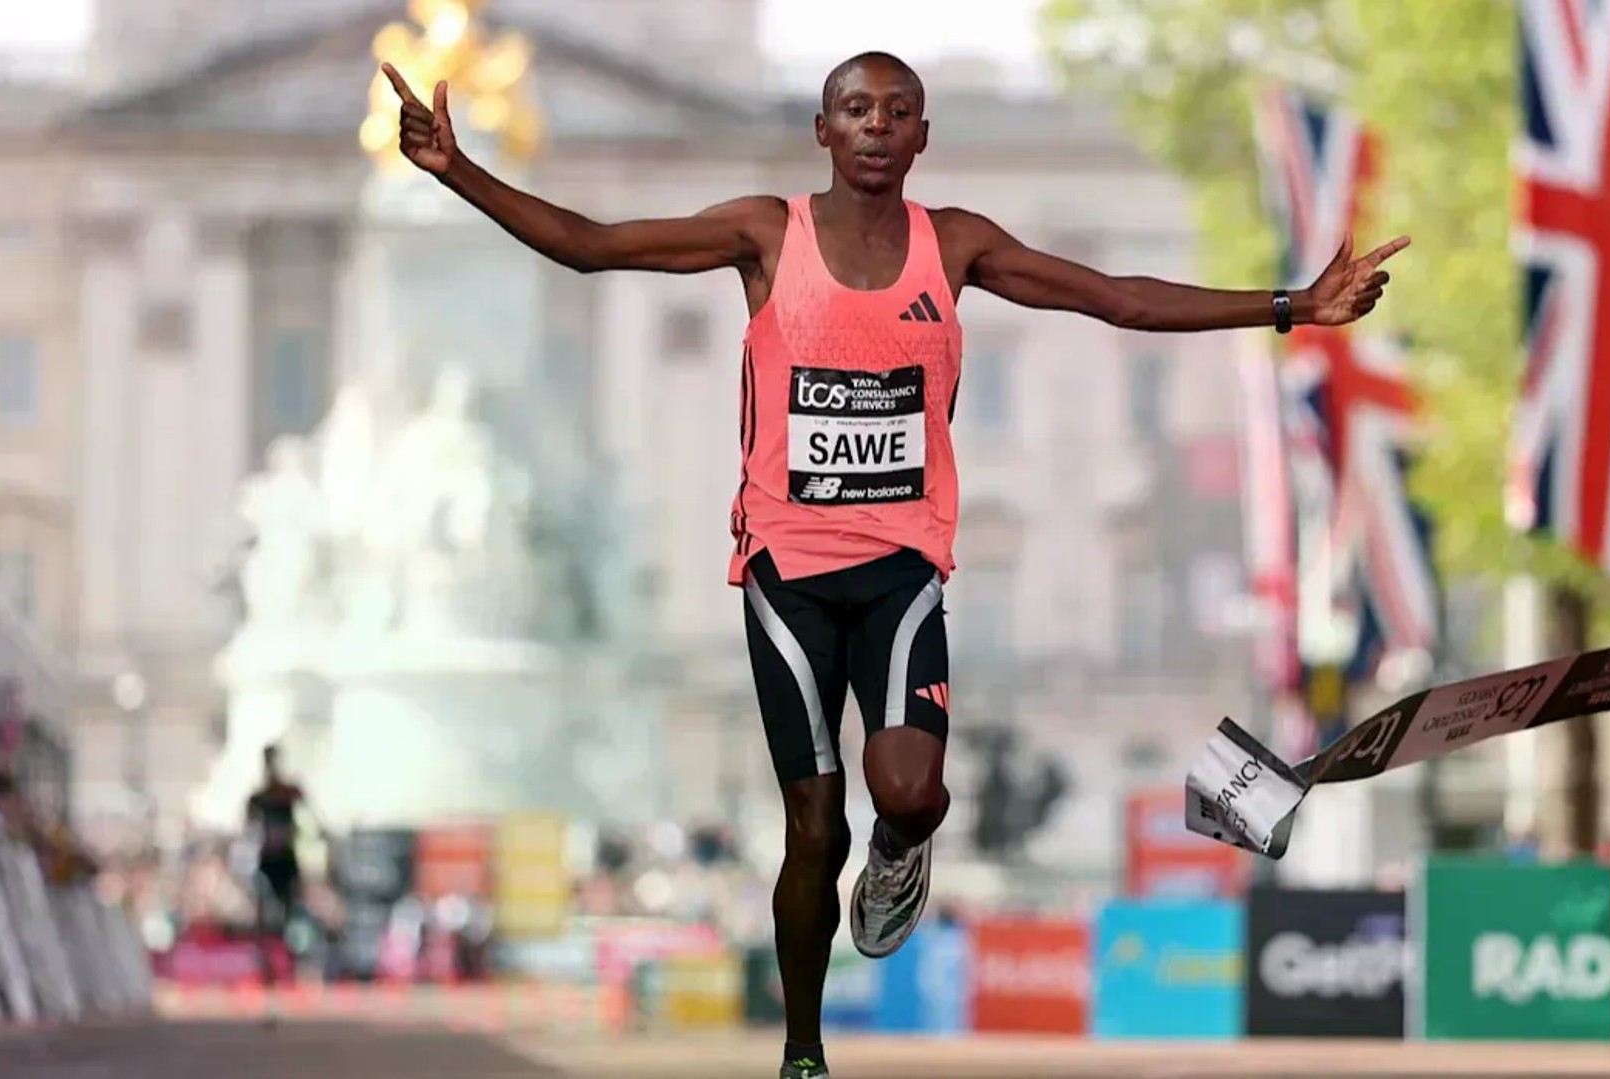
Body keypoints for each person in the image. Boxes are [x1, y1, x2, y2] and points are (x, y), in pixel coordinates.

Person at [382, 51, 1404, 1078]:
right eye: (856, 110)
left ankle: (904, 848)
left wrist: (1292, 306)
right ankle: (803, 1046)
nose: (876, 125)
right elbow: (594, 246)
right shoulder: (764, 233)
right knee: (811, 821)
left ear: (924, 136)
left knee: (906, 786)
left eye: (898, 111)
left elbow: (1113, 298)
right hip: (786, 568)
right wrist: (456, 172)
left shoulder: (951, 245)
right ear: (824, 132)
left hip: (903, 566)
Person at [244, 744, 318, 1003]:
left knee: (292, 915)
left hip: (286, 860)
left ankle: (294, 964)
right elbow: (249, 828)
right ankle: (268, 965)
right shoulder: (259, 797)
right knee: (265, 916)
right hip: (268, 861)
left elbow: (310, 818)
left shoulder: (287, 792)